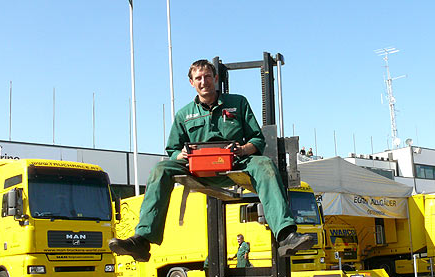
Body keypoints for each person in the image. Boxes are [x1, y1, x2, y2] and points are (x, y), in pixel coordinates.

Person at [109, 59, 313, 262]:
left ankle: (286, 235)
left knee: (265, 165)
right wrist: (180, 155)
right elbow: (172, 149)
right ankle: (142, 241)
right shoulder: (183, 114)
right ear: (191, 83)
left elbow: (257, 140)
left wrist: (243, 150)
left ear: (215, 79)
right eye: (198, 78)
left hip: (235, 165)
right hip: (198, 169)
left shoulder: (238, 103)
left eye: (207, 76)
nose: (203, 81)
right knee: (161, 168)